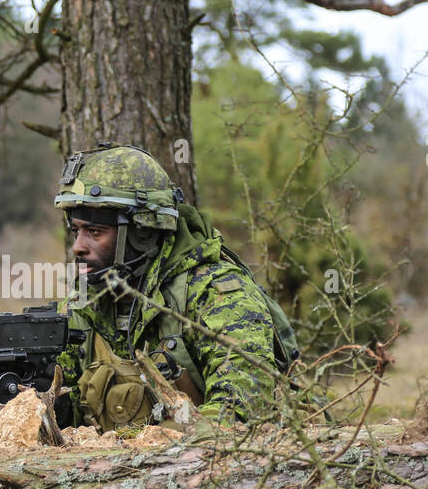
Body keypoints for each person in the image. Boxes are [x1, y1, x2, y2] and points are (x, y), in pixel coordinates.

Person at [52, 142, 296, 433]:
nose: (78, 247)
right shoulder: (83, 304)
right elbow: (57, 404)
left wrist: (150, 446)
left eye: (94, 232)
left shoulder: (216, 292)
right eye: (76, 231)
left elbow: (242, 407)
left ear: (141, 233)